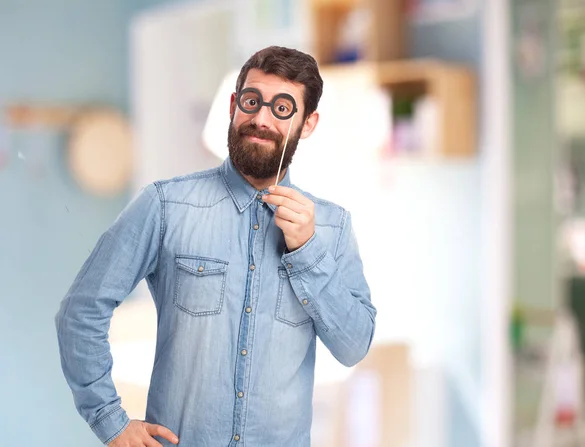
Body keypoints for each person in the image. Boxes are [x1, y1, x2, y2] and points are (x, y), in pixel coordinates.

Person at [55, 45, 376, 447]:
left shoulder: (332, 227)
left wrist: (307, 252)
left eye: (281, 109)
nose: (260, 119)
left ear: (307, 124)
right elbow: (81, 310)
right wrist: (110, 421)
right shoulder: (165, 206)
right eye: (252, 101)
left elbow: (353, 346)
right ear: (233, 104)